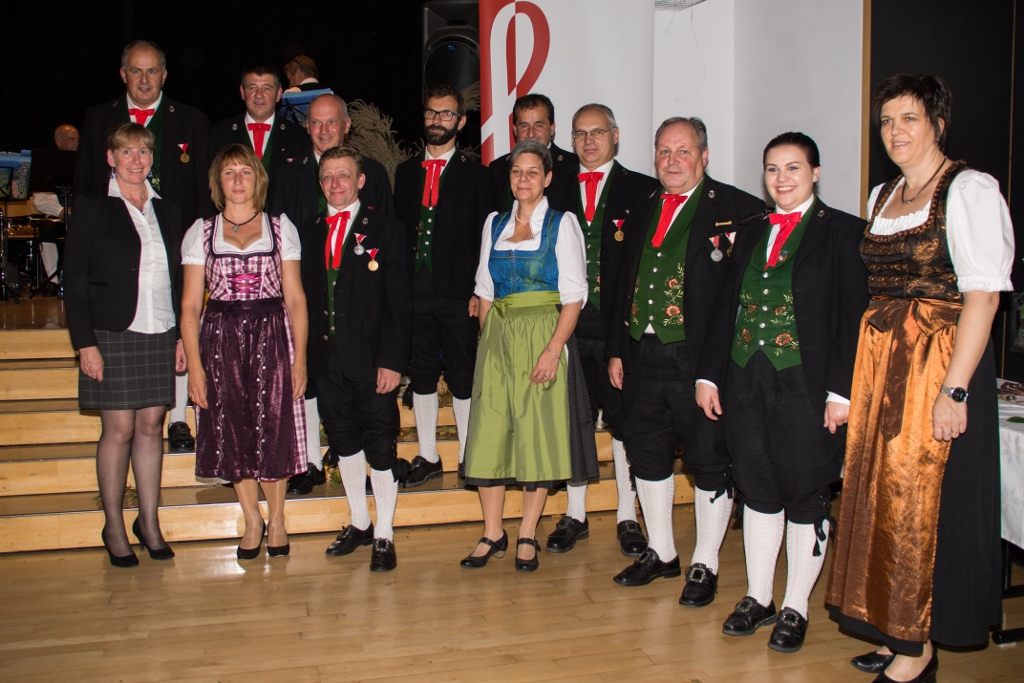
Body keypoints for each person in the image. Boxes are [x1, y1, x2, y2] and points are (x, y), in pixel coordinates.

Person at [825, 74, 1013, 683]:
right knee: (883, 499)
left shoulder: (969, 190)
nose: (895, 131)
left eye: (908, 118)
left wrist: (954, 390)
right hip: (884, 366)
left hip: (940, 362)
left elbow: (983, 298)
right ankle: (894, 625)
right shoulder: (883, 195)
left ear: (938, 124)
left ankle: (918, 648)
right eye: (886, 121)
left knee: (921, 505)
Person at [694, 132, 869, 652]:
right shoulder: (750, 231)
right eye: (773, 169)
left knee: (805, 491)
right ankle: (758, 597)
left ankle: (795, 606)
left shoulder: (844, 232)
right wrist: (709, 375)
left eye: (793, 168)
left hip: (807, 385)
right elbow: (725, 306)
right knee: (758, 488)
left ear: (815, 173)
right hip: (745, 379)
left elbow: (852, 318)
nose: (782, 178)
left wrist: (842, 391)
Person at [606, 117, 766, 599]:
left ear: (704, 155)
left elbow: (746, 298)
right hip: (641, 353)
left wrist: (718, 370)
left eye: (683, 151)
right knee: (646, 453)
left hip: (698, 361)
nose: (671, 161)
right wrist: (616, 349)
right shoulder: (641, 205)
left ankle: (705, 562)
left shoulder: (739, 210)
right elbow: (621, 283)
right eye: (663, 151)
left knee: (708, 460)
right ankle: (662, 552)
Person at [461, 139, 597, 573]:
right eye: (517, 171)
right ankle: (492, 532)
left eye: (533, 172)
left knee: (536, 434)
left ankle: (526, 532)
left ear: (548, 178)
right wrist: (488, 340)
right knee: (489, 432)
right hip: (498, 336)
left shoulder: (562, 224)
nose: (523, 179)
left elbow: (574, 295)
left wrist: (553, 350)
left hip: (543, 335)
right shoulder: (494, 223)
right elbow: (485, 289)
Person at [74, 39, 211, 454]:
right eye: (136, 70)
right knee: (120, 427)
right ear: (123, 74)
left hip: (173, 251)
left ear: (164, 76)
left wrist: (200, 250)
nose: (145, 79)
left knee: (175, 337)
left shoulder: (192, 120)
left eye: (152, 71)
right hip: (115, 266)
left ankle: (179, 419)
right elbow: (85, 184)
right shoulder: (97, 118)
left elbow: (202, 193)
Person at [64, 122, 185, 567]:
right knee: (118, 430)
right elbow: (75, 278)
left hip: (160, 328)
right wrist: (85, 344)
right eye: (127, 151)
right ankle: (114, 525)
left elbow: (178, 277)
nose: (136, 160)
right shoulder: (93, 204)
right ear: (110, 157)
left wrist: (181, 335)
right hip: (112, 332)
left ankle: (149, 522)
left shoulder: (167, 208)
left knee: (152, 426)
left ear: (152, 158)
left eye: (144, 151)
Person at [179, 144, 308, 560]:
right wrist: (195, 368)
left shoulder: (280, 227)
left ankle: (278, 518)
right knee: (232, 429)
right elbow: (190, 305)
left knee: (274, 426)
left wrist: (300, 359)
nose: (237, 180)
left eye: (245, 172)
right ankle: (252, 519)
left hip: (272, 333)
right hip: (221, 339)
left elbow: (296, 298)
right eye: (229, 172)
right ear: (218, 181)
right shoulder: (201, 232)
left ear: (258, 179)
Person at [544, 103, 659, 557]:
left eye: (597, 132)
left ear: (615, 135)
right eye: (580, 133)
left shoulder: (643, 189)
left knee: (624, 424)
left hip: (619, 330)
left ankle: (628, 514)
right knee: (573, 420)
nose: (588, 141)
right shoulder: (554, 187)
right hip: (567, 325)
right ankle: (575, 514)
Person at [269, 93, 396, 495]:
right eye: (316, 123)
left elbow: (390, 267)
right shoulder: (288, 175)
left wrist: (390, 353)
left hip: (361, 324)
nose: (323, 130)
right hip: (312, 309)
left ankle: (376, 507)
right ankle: (309, 461)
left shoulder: (373, 173)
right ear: (307, 127)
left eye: (332, 122)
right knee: (312, 387)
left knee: (369, 425)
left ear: (346, 126)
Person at [299, 146, 412, 572]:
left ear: (360, 181)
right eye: (328, 176)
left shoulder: (387, 229)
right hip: (325, 359)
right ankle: (360, 522)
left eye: (344, 175)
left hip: (372, 360)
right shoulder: (308, 232)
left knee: (380, 445)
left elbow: (400, 304)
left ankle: (384, 532)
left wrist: (392, 361)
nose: (335, 184)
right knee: (343, 442)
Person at [393, 84, 493, 486]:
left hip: (459, 293)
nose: (437, 120)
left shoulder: (477, 175)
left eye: (446, 114)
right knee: (420, 372)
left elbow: (486, 238)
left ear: (461, 121)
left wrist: (480, 291)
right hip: (414, 290)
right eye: (432, 113)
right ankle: (428, 455)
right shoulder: (405, 173)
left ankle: (470, 457)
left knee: (462, 374)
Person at [210, 60, 310, 184]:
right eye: (252, 88)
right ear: (242, 92)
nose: (259, 95)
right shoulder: (218, 135)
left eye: (266, 88)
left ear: (278, 94)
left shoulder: (300, 137)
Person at [488, 93, 578, 213]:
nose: (531, 133)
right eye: (524, 126)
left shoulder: (573, 166)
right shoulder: (497, 168)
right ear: (515, 130)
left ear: (552, 129)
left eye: (538, 125)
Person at [31, 124, 80, 294]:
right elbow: (39, 200)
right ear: (59, 142)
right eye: (72, 139)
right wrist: (61, 211)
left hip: (81, 217)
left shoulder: (85, 164)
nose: (76, 143)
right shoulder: (47, 165)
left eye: (78, 139)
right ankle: (53, 281)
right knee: (46, 229)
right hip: (59, 218)